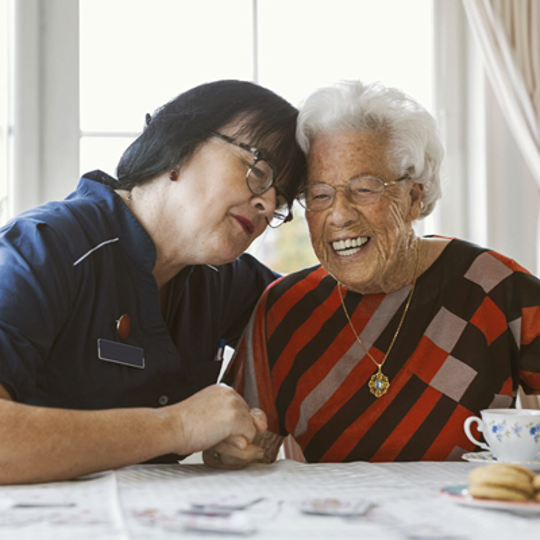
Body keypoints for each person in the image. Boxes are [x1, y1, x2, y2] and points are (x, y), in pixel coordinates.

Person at [209, 80, 540, 467]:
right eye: (319, 195)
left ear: (415, 197)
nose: (339, 214)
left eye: (365, 189)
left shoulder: (496, 288)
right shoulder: (283, 309)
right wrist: (232, 448)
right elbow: (241, 454)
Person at [0, 79, 306, 484]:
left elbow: (324, 321)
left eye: (280, 201)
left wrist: (243, 427)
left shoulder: (223, 278)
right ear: (178, 146)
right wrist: (177, 426)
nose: (267, 205)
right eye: (257, 171)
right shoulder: (41, 248)